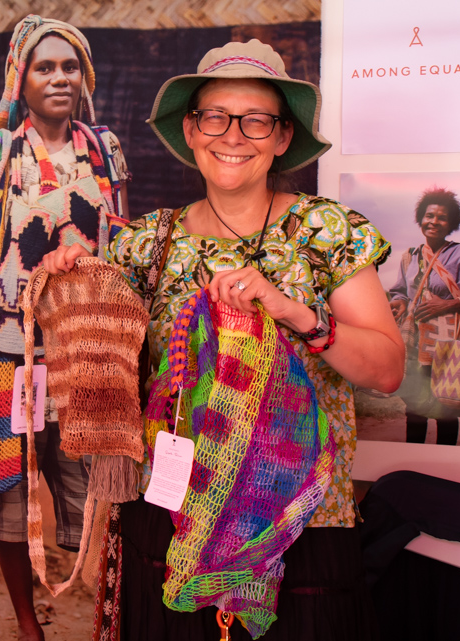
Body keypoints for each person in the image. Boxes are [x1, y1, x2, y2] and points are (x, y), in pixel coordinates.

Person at [44, 39, 404, 640]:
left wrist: (294, 312)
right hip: (168, 521)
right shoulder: (145, 244)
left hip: (298, 524)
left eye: (256, 120)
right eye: (215, 116)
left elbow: (387, 370)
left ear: (283, 137)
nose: (233, 135)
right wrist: (84, 275)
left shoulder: (324, 232)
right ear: (191, 129)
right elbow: (114, 363)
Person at [0, 15, 129, 641]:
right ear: (20, 77)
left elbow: (120, 243)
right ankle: (27, 625)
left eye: (70, 66)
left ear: (85, 76)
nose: (59, 78)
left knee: (89, 472)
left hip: (86, 346)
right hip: (6, 346)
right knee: (7, 477)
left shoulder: (103, 149)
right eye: (44, 66)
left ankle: (101, 604)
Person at [388, 188, 460, 445]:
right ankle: (413, 463)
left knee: (446, 409)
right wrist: (398, 302)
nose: (434, 222)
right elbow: (401, 293)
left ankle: (444, 463)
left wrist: (449, 304)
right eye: (429, 215)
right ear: (421, 219)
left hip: (449, 346)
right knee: (415, 409)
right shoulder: (410, 257)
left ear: (451, 224)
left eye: (442, 217)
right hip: (416, 344)